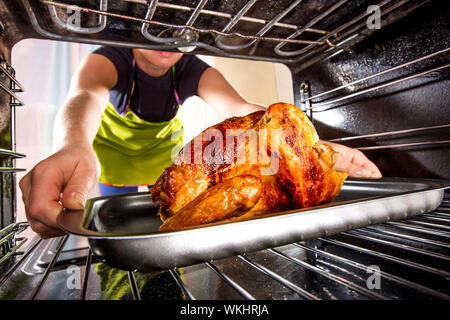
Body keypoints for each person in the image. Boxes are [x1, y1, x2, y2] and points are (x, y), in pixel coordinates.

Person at [19, 47, 382, 239]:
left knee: (166, 244)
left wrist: (313, 151)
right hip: (112, 170)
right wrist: (72, 145)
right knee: (121, 235)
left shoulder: (189, 67)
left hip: (166, 166)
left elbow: (242, 109)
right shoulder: (111, 59)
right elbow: (83, 96)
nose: (167, 41)